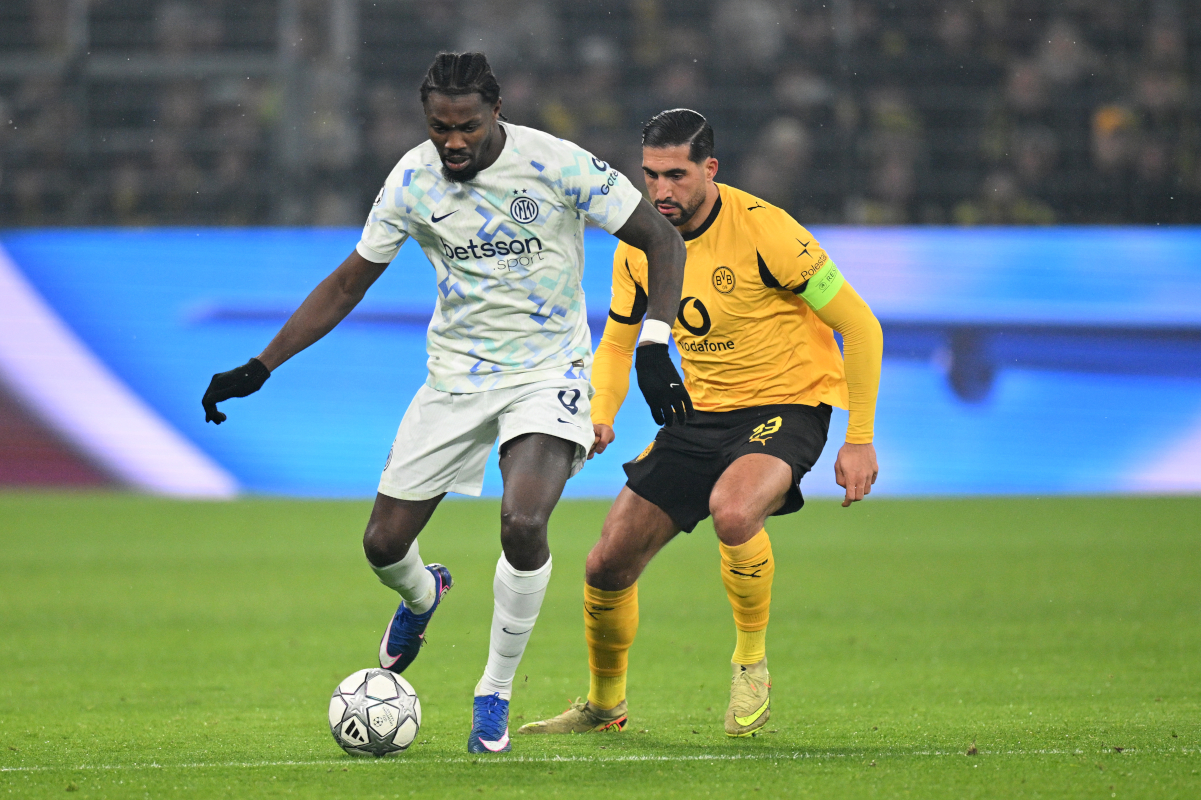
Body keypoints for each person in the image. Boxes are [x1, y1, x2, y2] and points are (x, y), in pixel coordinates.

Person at [200, 54, 692, 754]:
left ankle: (491, 692)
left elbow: (660, 238)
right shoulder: (410, 179)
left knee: (522, 522)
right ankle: (423, 595)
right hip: (455, 378)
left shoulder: (555, 163)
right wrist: (261, 366)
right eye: (439, 129)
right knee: (381, 545)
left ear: (495, 112)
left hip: (547, 372)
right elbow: (347, 284)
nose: (452, 142)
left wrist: (652, 345)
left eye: (465, 127)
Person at [519, 109, 883, 738]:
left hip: (786, 406)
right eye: (650, 175)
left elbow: (861, 327)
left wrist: (859, 437)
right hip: (700, 414)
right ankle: (604, 706)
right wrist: (600, 415)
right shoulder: (640, 247)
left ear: (710, 169)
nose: (661, 191)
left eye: (677, 175)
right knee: (605, 563)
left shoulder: (768, 232)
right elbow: (615, 345)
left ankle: (750, 665)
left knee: (734, 510)